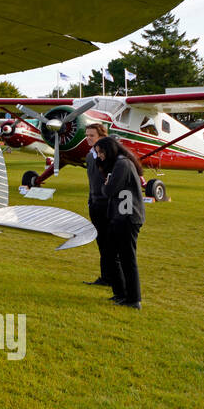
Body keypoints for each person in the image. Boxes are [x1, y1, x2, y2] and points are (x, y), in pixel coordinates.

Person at [96, 136, 145, 309]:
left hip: (127, 217)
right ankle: (121, 293)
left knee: (127, 259)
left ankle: (133, 299)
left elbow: (109, 190)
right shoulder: (119, 163)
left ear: (109, 150)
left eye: (101, 152)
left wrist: (106, 184)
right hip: (120, 216)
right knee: (110, 255)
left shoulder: (122, 164)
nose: (99, 156)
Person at [81, 124, 119, 296]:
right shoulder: (90, 156)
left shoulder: (111, 157)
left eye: (91, 135)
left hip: (108, 206)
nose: (88, 138)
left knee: (111, 245)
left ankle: (116, 280)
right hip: (95, 204)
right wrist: (91, 201)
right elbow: (92, 183)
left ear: (102, 136)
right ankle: (106, 277)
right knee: (101, 243)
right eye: (87, 135)